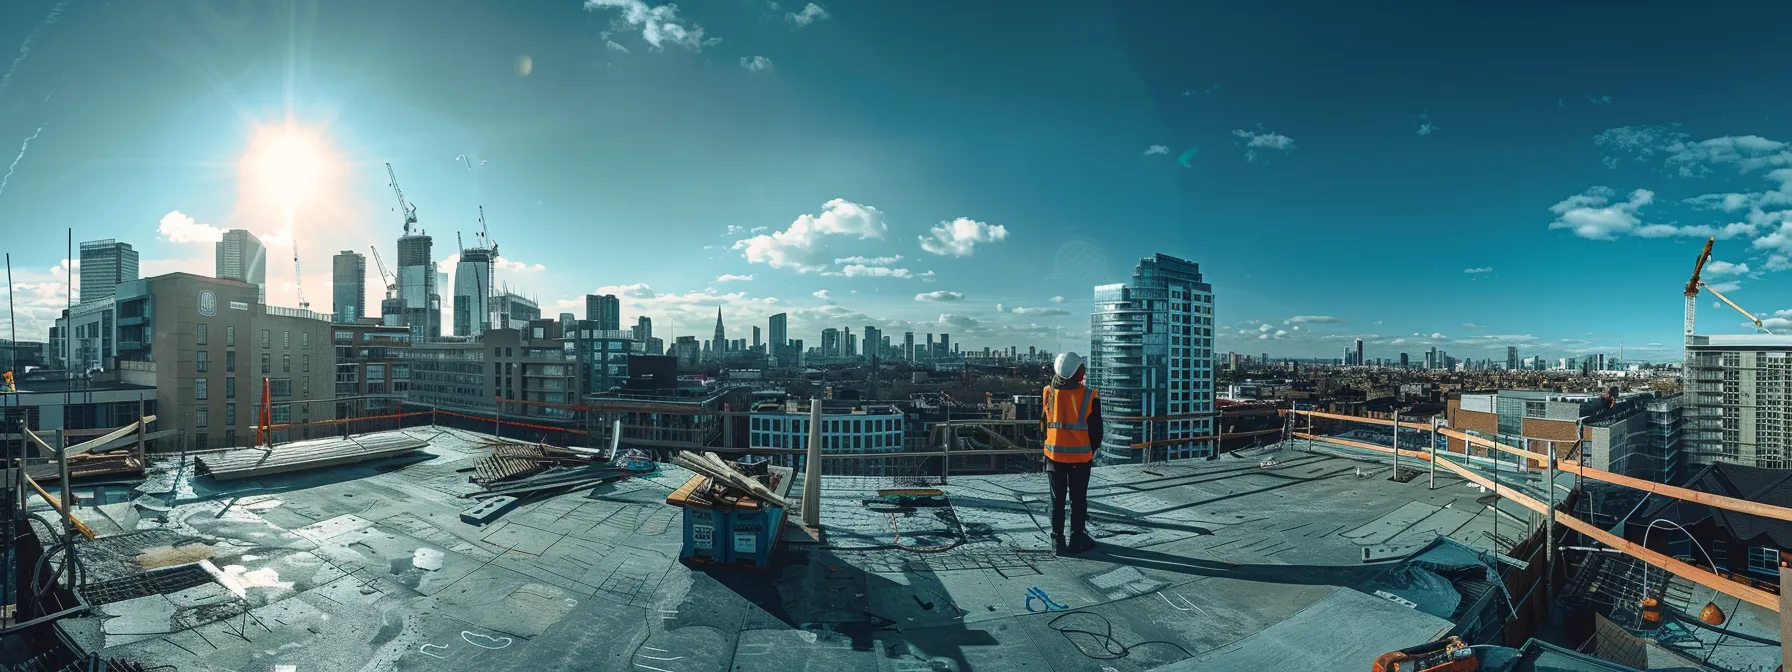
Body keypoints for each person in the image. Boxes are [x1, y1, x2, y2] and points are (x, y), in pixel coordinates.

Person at [1041, 351, 1100, 555]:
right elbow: (1096, 432)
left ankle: (1057, 542)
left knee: (1057, 501)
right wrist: (1087, 449)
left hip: (1053, 458)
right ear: (1077, 373)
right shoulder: (1089, 395)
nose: (1084, 373)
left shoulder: (1048, 391)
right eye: (1082, 369)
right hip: (1080, 459)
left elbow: (1044, 425)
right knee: (1078, 500)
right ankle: (1077, 538)